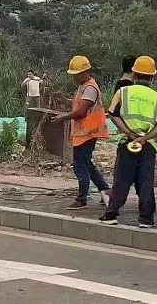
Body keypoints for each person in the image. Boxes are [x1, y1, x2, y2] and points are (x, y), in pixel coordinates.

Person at [100, 56, 157, 227]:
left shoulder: (123, 93)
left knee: (122, 180)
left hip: (127, 143)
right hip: (148, 146)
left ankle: (111, 214)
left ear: (135, 74)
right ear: (152, 76)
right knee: (146, 182)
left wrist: (130, 133)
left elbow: (113, 115)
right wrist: (144, 138)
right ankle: (146, 218)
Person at [51, 56, 111, 210]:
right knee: (87, 164)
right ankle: (105, 190)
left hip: (88, 132)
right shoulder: (83, 86)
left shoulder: (90, 88)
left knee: (80, 167)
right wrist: (64, 99)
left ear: (85, 72)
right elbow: (78, 104)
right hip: (84, 132)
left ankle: (82, 199)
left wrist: (62, 117)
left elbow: (81, 111)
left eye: (76, 74)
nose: (74, 77)